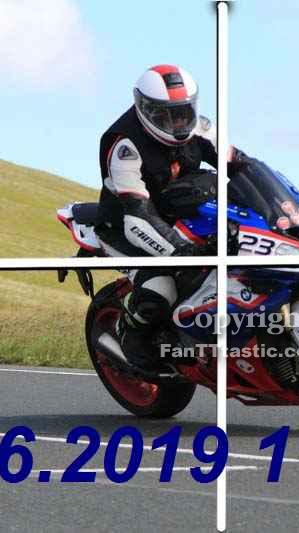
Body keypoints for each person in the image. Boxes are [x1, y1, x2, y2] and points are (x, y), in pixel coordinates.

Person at [98, 64, 220, 370]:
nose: (177, 122)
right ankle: (132, 341)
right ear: (146, 110)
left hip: (174, 217)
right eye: (166, 115)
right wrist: (181, 251)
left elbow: (241, 164)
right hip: (123, 226)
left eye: (182, 112)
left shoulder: (198, 127)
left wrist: (283, 205)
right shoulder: (124, 144)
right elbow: (137, 216)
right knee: (161, 288)